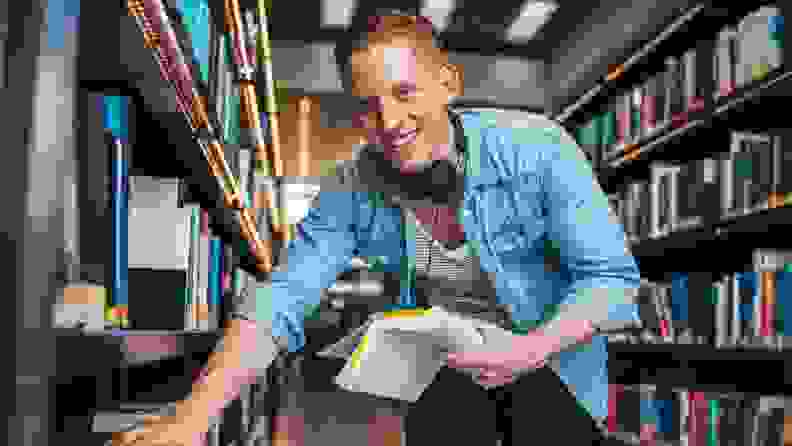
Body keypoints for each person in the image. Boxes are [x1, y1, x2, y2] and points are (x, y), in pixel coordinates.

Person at [114, 7, 640, 446]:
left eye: (405, 92)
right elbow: (282, 299)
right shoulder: (351, 187)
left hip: (554, 375)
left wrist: (528, 349)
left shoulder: (538, 149)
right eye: (367, 106)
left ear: (448, 83)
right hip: (448, 382)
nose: (389, 122)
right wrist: (194, 415)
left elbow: (611, 281)